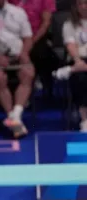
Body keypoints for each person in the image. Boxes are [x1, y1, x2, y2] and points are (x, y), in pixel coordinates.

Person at [0, 0, 35, 138]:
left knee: (28, 73)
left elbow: (27, 37)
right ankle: (12, 117)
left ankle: (15, 115)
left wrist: (24, 53)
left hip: (18, 55)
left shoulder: (18, 12)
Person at [62, 0, 87, 132]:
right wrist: (77, 61)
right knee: (80, 78)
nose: (83, 7)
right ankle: (85, 120)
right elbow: (70, 45)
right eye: (80, 4)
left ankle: (69, 70)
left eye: (86, 3)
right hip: (79, 59)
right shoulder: (69, 24)